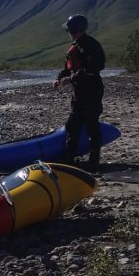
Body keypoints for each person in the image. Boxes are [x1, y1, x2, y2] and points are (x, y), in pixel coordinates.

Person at [52, 14, 105, 170]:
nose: (70, 33)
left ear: (78, 29)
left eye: (71, 30)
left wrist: (72, 78)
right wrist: (59, 78)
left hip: (92, 89)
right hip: (79, 91)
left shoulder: (91, 45)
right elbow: (67, 68)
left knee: (91, 123)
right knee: (73, 123)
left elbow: (96, 66)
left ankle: (94, 159)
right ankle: (69, 157)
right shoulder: (74, 47)